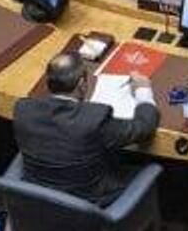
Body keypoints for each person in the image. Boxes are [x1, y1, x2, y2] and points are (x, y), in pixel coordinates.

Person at [11, 51, 159, 206]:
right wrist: (143, 91)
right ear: (82, 84)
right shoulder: (94, 120)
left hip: (37, 200)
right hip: (90, 204)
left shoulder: (23, 109)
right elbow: (144, 127)